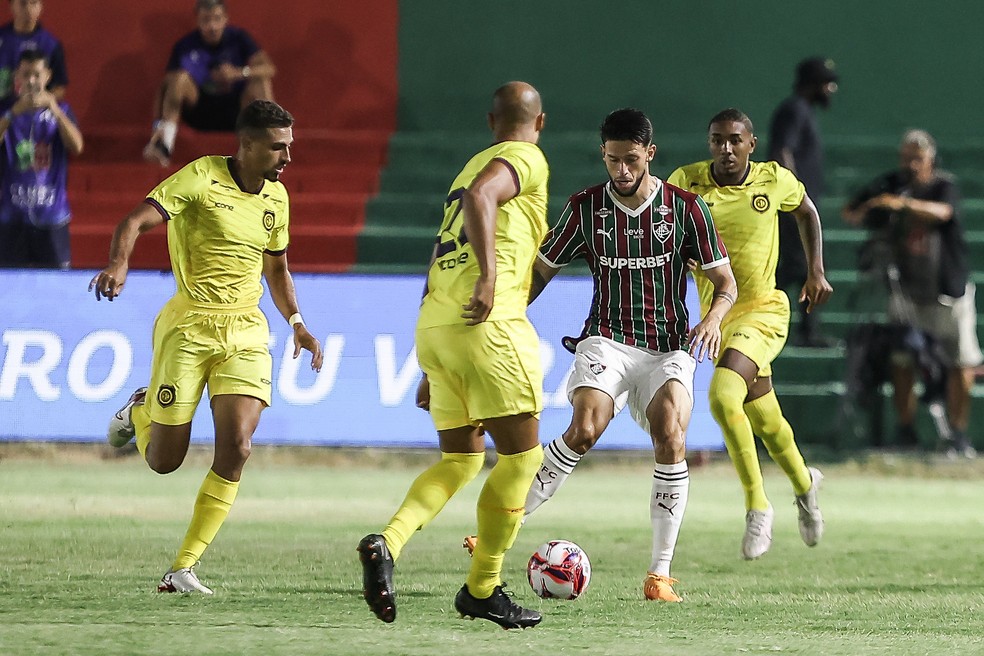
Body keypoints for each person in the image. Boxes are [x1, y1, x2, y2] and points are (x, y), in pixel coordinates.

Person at [468, 108, 738, 602]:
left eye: (631, 160)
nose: (622, 171)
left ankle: (659, 575)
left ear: (650, 154)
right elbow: (539, 274)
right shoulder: (584, 209)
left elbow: (726, 284)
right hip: (606, 339)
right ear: (604, 155)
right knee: (585, 427)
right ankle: (498, 529)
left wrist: (713, 319)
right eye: (612, 160)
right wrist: (502, 311)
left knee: (671, 434)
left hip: (668, 345)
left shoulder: (684, 209)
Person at [89, 99, 324, 594]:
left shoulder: (277, 199)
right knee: (164, 461)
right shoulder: (200, 177)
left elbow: (276, 269)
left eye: (290, 147)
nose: (287, 158)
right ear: (248, 144)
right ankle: (140, 411)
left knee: (237, 447)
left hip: (245, 330)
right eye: (279, 148)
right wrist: (119, 264)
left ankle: (182, 568)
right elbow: (132, 221)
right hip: (190, 327)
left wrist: (297, 322)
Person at [357, 81, 548, 630]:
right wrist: (490, 278)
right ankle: (482, 588)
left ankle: (387, 543)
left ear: (491, 121)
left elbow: (442, 249)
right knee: (522, 459)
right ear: (541, 122)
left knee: (461, 459)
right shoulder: (524, 158)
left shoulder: (466, 167)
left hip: (436, 324)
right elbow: (482, 197)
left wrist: (427, 363)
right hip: (487, 325)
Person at [667, 108, 831, 560]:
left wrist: (816, 270)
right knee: (767, 420)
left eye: (735, 140)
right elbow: (670, 239)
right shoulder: (686, 182)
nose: (726, 148)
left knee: (722, 396)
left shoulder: (772, 179)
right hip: (718, 315)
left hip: (764, 311)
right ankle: (804, 483)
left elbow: (807, 211)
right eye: (718, 139)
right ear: (709, 143)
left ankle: (758, 506)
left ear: (750, 144)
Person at [842, 129, 982, 457]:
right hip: (907, 293)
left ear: (930, 159)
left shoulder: (943, 186)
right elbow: (852, 212)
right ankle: (906, 430)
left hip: (948, 292)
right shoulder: (892, 183)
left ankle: (958, 434)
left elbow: (944, 213)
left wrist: (901, 205)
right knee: (901, 360)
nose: (910, 165)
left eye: (917, 158)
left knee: (962, 363)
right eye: (906, 158)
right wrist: (876, 207)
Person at [143, 0, 276, 167]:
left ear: (225, 19)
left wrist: (238, 73)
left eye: (217, 19)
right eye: (206, 20)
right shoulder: (185, 46)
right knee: (177, 79)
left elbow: (269, 68)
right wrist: (156, 126)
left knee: (260, 81)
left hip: (236, 111)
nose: (212, 26)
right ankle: (164, 145)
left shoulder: (239, 38)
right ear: (198, 21)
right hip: (199, 111)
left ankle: (270, 145)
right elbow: (165, 87)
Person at [768, 56, 838, 347]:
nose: (831, 89)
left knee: (798, 266)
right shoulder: (795, 109)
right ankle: (803, 330)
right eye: (826, 83)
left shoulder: (802, 110)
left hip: (799, 204)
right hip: (794, 206)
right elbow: (783, 150)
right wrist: (795, 195)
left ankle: (801, 328)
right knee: (799, 266)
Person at [0, 49, 82, 268]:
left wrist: (54, 108)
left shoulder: (62, 110)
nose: (31, 81)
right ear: (17, 76)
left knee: (57, 286)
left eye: (36, 74)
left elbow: (77, 146)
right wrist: (12, 113)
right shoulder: (5, 110)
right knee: (9, 288)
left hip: (52, 215)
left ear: (48, 75)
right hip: (12, 216)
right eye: (26, 74)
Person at [0, 0, 68, 100]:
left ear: (41, 6)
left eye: (34, 2)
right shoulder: (2, 38)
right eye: (23, 3)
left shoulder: (51, 44)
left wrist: (41, 101)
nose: (28, 9)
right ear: (11, 6)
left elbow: (59, 88)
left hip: (35, 112)